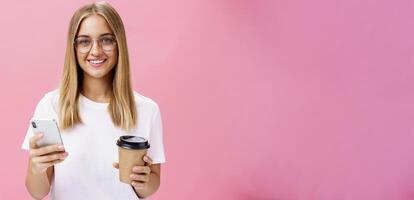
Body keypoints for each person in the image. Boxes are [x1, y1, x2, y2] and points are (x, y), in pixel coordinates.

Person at [21, 2, 165, 199]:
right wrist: (36, 167)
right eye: (84, 41)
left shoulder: (147, 110)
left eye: (106, 40)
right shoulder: (52, 106)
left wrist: (144, 181)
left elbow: (151, 185)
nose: (96, 51)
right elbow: (38, 192)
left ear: (119, 43)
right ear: (74, 47)